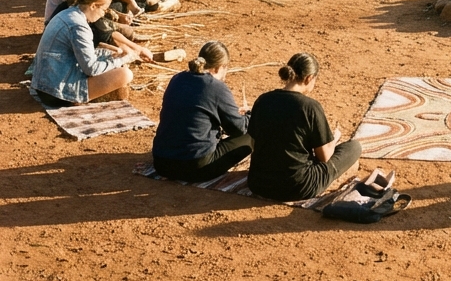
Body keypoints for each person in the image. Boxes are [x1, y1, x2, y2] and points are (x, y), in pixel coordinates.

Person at [246, 52, 362, 202]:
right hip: (298, 187)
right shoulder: (310, 107)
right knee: (354, 147)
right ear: (309, 78)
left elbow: (254, 141)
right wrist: (334, 140)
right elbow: (324, 157)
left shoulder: (263, 100)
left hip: (258, 183)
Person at [151, 41, 253, 182]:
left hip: (161, 163)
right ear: (219, 67)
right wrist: (249, 115)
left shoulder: (177, 78)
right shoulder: (216, 87)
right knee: (253, 133)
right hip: (196, 167)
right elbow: (238, 129)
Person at [31, 0, 138, 106]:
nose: (103, 14)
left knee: (110, 56)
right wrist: (123, 59)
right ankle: (79, 97)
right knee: (125, 74)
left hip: (43, 86)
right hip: (57, 93)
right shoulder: (79, 26)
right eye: (103, 10)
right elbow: (91, 69)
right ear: (93, 6)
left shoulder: (67, 14)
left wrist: (112, 55)